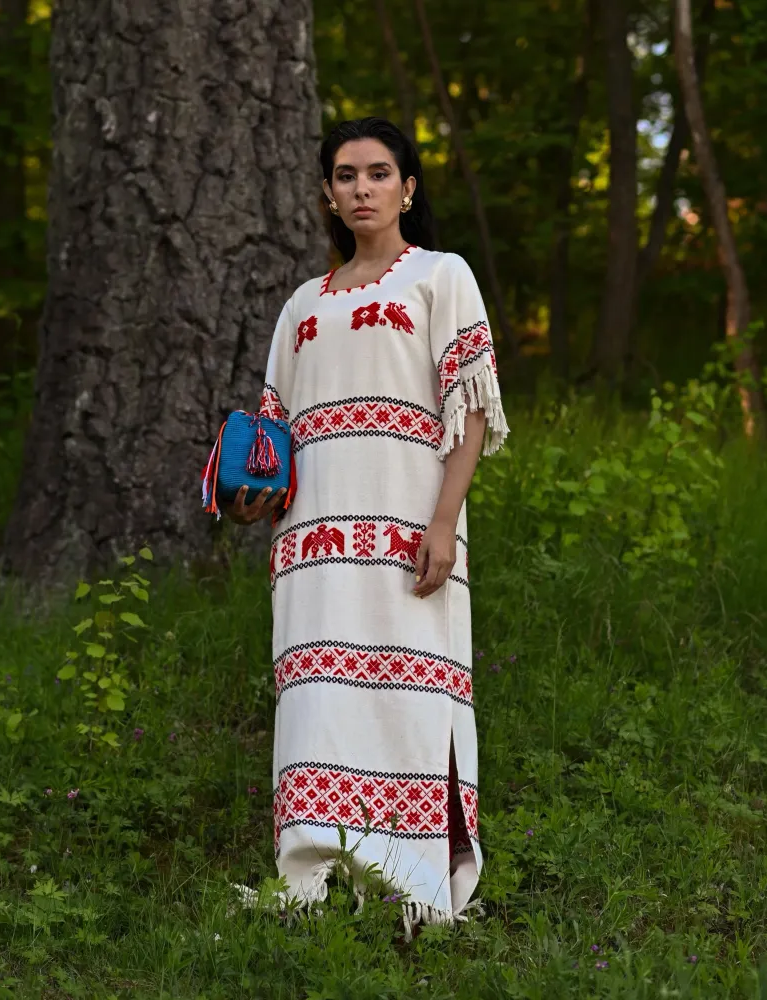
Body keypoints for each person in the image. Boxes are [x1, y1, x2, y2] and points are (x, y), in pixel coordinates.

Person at [227, 117, 509, 937]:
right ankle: (313, 869)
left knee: (410, 700)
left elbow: (470, 412)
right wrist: (250, 493)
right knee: (319, 704)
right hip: (313, 549)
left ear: (408, 189)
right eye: (345, 176)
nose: (361, 189)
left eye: (379, 174)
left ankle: (415, 877)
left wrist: (444, 522)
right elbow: (274, 434)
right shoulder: (301, 307)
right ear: (326, 193)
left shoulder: (440, 277)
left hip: (406, 532)